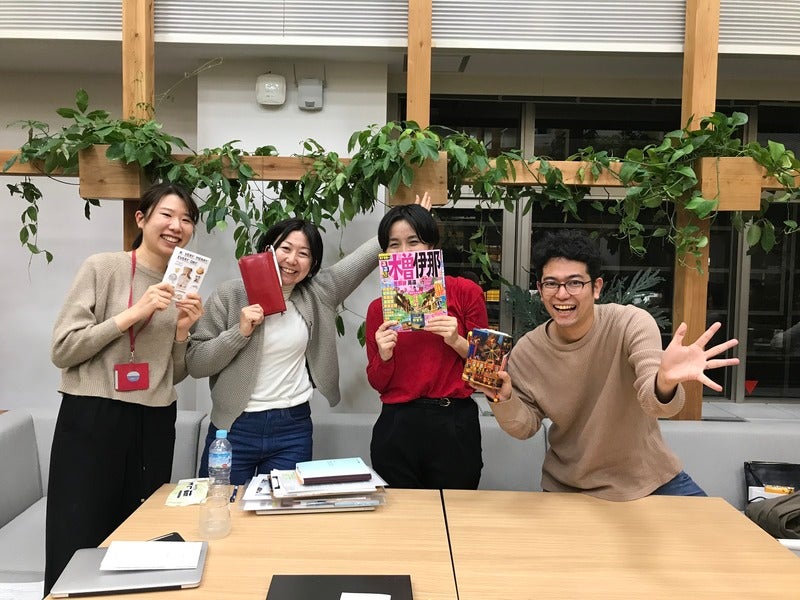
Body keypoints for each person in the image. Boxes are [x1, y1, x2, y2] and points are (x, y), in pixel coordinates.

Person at [473, 229, 740, 501]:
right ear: (540, 290)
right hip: (569, 486)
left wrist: (665, 381)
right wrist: (503, 399)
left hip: (650, 480)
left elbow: (656, 403)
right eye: (551, 283)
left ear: (596, 287)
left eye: (575, 283)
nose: (562, 294)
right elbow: (525, 426)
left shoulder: (630, 324)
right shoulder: (528, 350)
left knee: (719, 528)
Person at [45, 182, 203, 595]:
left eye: (187, 219)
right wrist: (134, 313)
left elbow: (174, 374)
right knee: (78, 531)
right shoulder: (103, 267)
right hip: (93, 414)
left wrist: (182, 332)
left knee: (141, 533)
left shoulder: (182, 286)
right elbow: (63, 349)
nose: (177, 226)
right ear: (141, 219)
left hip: (155, 420)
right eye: (167, 215)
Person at [186, 207, 400, 484]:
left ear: (313, 264)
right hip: (233, 427)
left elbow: (362, 259)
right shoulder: (230, 294)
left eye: (304, 253)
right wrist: (239, 333)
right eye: (285, 248)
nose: (292, 259)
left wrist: (401, 221)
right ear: (268, 249)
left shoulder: (319, 293)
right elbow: (197, 363)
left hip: (292, 428)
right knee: (220, 502)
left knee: (283, 508)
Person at [366, 202, 488, 489]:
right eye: (394, 244)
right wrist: (384, 356)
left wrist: (457, 341)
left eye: (414, 242)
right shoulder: (378, 309)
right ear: (385, 253)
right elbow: (377, 383)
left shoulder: (466, 292)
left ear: (432, 245)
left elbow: (488, 369)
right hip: (397, 424)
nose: (405, 252)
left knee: (456, 510)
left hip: (453, 421)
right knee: (401, 513)